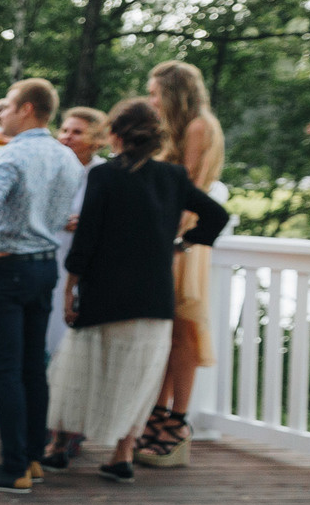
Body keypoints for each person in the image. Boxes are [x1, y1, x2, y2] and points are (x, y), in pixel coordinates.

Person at [47, 96, 234, 482]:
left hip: (104, 290)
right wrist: (181, 244)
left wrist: (70, 288)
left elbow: (86, 240)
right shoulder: (173, 178)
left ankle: (59, 445)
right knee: (137, 375)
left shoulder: (104, 177)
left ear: (114, 135)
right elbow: (217, 215)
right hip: (153, 294)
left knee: (81, 367)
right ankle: (122, 453)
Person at [0, 77, 87, 494]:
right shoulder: (67, 157)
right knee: (35, 366)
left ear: (28, 109)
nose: (1, 114)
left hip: (7, 269)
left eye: (8, 106)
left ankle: (12, 465)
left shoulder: (13, 155)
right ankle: (33, 457)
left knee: (7, 370)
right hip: (44, 268)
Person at [137, 60, 228, 469]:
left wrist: (163, 238)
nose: (151, 100)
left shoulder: (198, 126)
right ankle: (158, 413)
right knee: (168, 330)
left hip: (184, 239)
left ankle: (177, 419)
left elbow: (185, 187)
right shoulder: (181, 128)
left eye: (156, 93)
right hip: (171, 236)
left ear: (174, 92)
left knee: (184, 331)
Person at [44, 106, 107, 362]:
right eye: (65, 130)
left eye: (77, 132)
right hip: (52, 254)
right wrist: (57, 221)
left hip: (89, 262)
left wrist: (91, 224)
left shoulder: (104, 175)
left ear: (96, 140)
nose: (67, 136)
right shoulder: (49, 168)